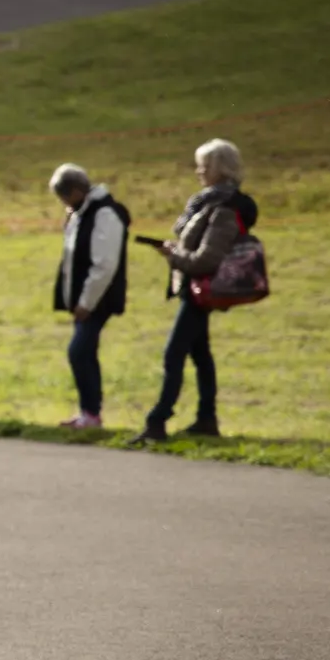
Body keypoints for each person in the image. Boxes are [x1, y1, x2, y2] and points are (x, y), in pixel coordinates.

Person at [133, 139, 259, 444]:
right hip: (194, 287)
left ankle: (157, 421)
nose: (198, 171)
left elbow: (207, 258)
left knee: (173, 354)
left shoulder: (224, 207)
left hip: (200, 289)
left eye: (204, 165)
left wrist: (173, 256)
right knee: (200, 354)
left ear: (219, 169)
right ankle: (206, 418)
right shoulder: (208, 202)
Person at [49, 164, 129, 430]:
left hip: (98, 298)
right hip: (84, 297)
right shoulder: (80, 213)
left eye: (64, 197)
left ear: (75, 191)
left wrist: (86, 302)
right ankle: (89, 412)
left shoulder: (104, 214)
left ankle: (91, 413)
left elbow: (104, 264)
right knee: (85, 352)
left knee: (78, 351)